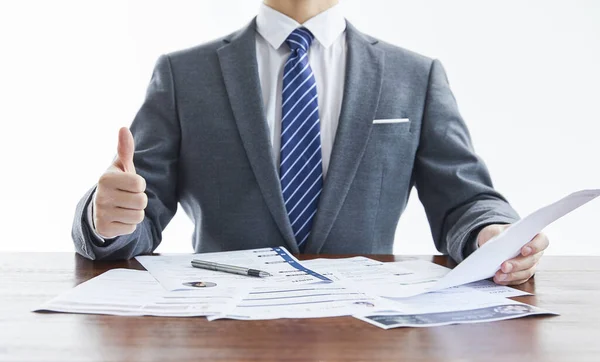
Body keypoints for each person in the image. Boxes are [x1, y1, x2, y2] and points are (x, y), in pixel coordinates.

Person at [72, 0, 549, 286]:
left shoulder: (415, 76)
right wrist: (106, 217)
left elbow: (464, 200)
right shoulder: (184, 74)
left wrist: (495, 237)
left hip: (364, 332)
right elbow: (137, 209)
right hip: (223, 328)